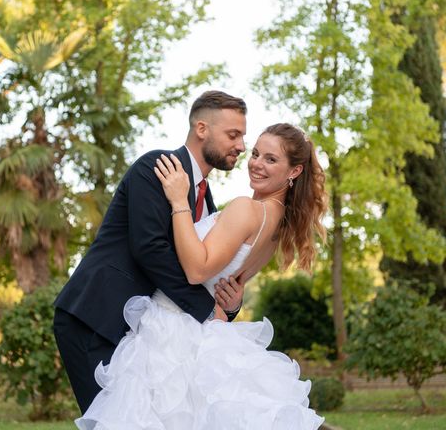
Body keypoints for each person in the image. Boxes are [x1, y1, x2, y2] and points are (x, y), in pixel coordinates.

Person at [75, 123, 328, 429]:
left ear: (294, 171)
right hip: (203, 329)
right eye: (257, 153)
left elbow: (196, 270)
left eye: (271, 159)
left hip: (172, 332)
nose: (257, 164)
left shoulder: (246, 209)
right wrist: (233, 304)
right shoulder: (277, 227)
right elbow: (229, 285)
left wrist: (179, 201)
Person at [53, 90, 249, 413]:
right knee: (112, 421)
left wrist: (227, 305)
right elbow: (149, 248)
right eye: (233, 134)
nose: (241, 145)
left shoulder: (206, 197)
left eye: (242, 136)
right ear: (202, 129)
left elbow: (200, 266)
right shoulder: (157, 167)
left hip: (143, 333)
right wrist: (205, 309)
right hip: (96, 319)